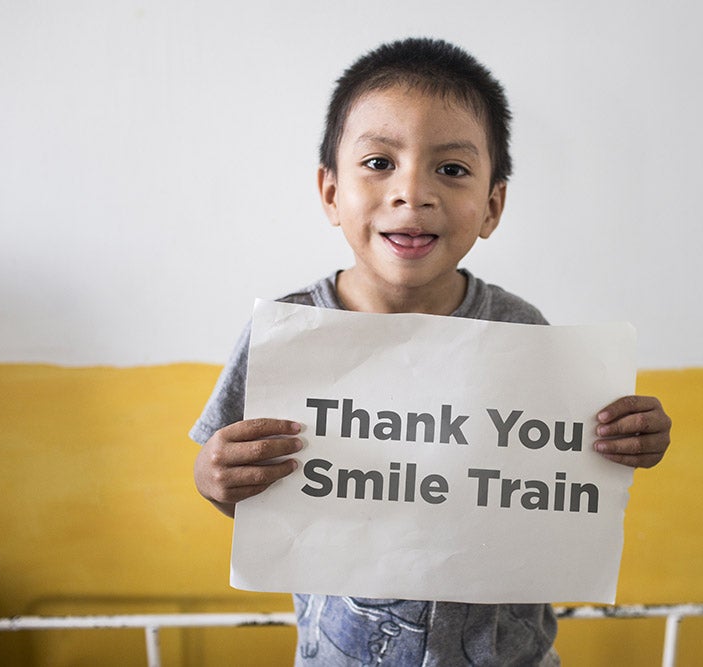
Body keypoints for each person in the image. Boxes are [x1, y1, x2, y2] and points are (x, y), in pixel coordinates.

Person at [191, 37, 672, 666]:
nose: (412, 192)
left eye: (451, 169)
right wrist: (215, 479)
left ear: (492, 205)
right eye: (378, 162)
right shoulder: (289, 333)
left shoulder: (521, 331)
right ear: (331, 192)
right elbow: (241, 487)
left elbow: (566, 471)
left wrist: (629, 444)